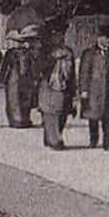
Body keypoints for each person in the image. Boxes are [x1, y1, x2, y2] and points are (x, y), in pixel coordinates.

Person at [78, 23, 109, 151]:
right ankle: (93, 140)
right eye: (106, 37)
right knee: (93, 117)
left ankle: (107, 143)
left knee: (107, 118)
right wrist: (84, 90)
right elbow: (84, 73)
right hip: (94, 91)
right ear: (99, 38)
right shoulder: (89, 53)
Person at [39, 22, 76, 150]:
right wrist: (51, 58)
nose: (60, 38)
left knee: (62, 113)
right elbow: (39, 68)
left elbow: (72, 73)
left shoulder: (68, 52)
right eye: (57, 35)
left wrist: (73, 90)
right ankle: (55, 139)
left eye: (62, 35)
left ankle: (52, 136)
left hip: (64, 86)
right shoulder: (45, 51)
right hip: (49, 87)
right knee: (51, 113)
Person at [0, 29, 38, 128]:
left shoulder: (29, 53)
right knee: (13, 99)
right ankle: (15, 120)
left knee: (26, 98)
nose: (20, 44)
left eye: (23, 42)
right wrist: (2, 79)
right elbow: (4, 66)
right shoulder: (10, 53)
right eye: (18, 42)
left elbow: (34, 66)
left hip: (26, 78)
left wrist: (35, 77)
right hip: (13, 78)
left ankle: (25, 119)